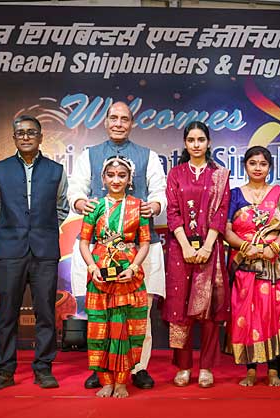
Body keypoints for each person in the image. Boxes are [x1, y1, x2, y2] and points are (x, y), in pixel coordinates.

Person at [68, 101, 166, 390]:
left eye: (125, 119)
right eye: (114, 118)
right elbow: (75, 188)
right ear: (106, 121)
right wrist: (80, 202)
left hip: (139, 247)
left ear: (132, 123)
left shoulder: (148, 156)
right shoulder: (89, 155)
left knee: (139, 311)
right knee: (101, 314)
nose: (119, 123)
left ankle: (138, 367)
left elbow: (159, 190)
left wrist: (154, 205)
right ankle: (102, 369)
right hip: (98, 249)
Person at [0, 116, 69, 390]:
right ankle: (4, 370)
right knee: (7, 313)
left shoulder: (56, 170)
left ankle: (43, 368)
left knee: (45, 313)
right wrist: (16, 228)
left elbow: (62, 207)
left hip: (45, 251)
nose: (26, 137)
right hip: (11, 250)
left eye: (32, 132)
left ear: (41, 137)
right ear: (14, 138)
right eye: (20, 133)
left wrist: (42, 228)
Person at [224, 146, 280, 386]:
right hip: (244, 264)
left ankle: (274, 370)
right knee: (246, 315)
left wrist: (274, 247)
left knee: (273, 313)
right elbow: (226, 229)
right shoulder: (234, 195)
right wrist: (246, 247)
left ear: (270, 167)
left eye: (263, 164)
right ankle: (250, 369)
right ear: (245, 166)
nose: (258, 168)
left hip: (272, 263)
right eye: (253, 163)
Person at [164, 121, 230, 388]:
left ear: (208, 142)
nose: (196, 144)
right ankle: (183, 366)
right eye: (191, 140)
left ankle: (205, 367)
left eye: (200, 140)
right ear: (185, 143)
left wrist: (206, 247)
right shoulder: (176, 173)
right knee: (179, 308)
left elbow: (221, 212)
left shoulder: (219, 175)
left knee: (209, 310)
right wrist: (186, 246)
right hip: (180, 251)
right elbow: (172, 212)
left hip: (210, 250)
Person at [79, 156, 150, 398]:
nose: (116, 180)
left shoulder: (138, 206)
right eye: (111, 175)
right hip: (100, 273)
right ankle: (106, 381)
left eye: (121, 175)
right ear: (103, 179)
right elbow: (84, 242)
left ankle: (121, 382)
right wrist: (92, 267)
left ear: (130, 179)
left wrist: (134, 267)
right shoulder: (95, 207)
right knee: (101, 328)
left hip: (128, 273)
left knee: (125, 328)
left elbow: (144, 243)